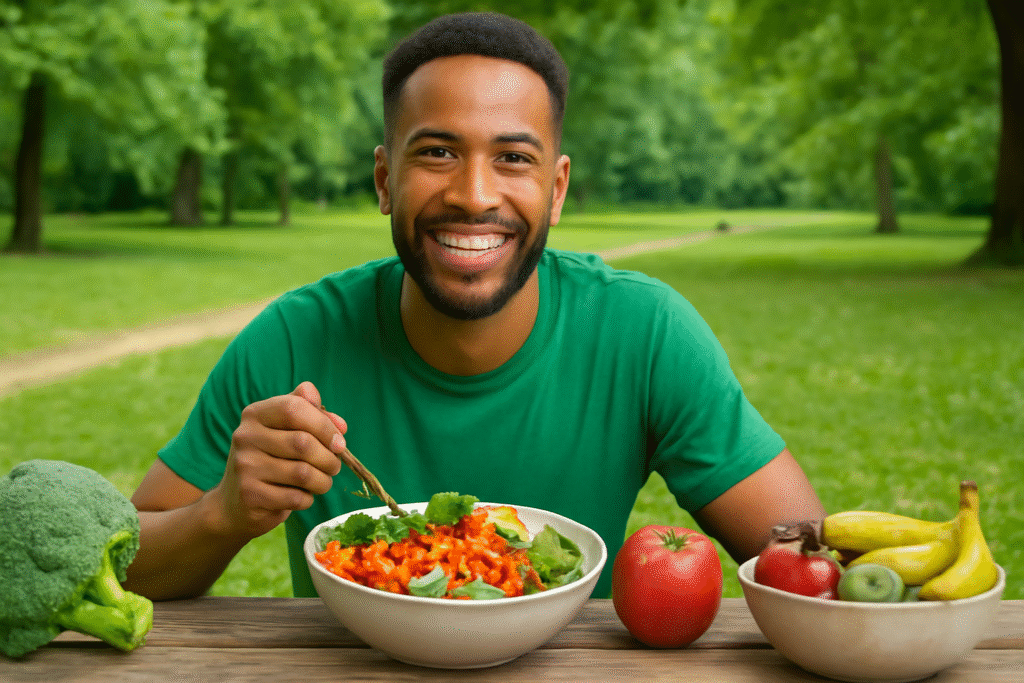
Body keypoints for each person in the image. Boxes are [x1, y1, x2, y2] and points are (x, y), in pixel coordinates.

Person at [126, 12, 824, 601]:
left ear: (556, 188)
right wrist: (221, 513)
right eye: (436, 152)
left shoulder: (645, 334)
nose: (473, 194)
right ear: (384, 180)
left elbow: (811, 560)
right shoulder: (292, 339)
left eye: (513, 159)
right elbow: (125, 563)